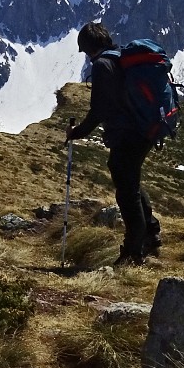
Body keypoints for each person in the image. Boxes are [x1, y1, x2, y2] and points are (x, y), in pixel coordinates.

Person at [66, 21, 162, 266]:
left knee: (126, 192)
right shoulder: (120, 57)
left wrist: (77, 133)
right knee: (131, 182)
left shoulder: (101, 65)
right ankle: (151, 234)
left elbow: (99, 109)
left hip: (126, 135)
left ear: (88, 47)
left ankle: (133, 253)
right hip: (143, 131)